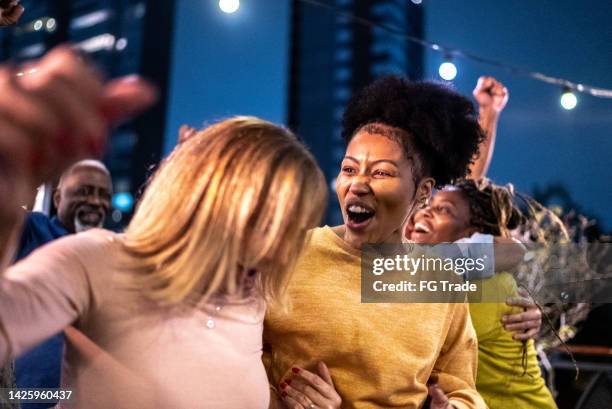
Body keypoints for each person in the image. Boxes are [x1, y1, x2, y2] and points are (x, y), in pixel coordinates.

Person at [0, 47, 328, 408]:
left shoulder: (253, 302)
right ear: (202, 198)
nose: (278, 251)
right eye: (263, 221)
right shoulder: (99, 262)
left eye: (290, 230)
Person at [264, 76, 488, 409]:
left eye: (381, 172)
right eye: (349, 169)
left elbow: (463, 391)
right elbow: (234, 357)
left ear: (423, 190)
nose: (357, 185)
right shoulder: (286, 253)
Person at [407, 178, 557, 408]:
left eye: (444, 210)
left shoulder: (486, 286)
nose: (425, 213)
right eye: (426, 205)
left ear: (473, 235)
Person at [13, 159, 112, 409]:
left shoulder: (115, 250)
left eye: (103, 195)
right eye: (84, 192)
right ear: (57, 199)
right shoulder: (33, 229)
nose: (95, 201)